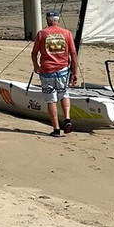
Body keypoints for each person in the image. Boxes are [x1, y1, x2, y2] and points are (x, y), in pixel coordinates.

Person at [31, 9, 79, 137]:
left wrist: (36, 66)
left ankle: (56, 129)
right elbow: (73, 54)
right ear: (58, 20)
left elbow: (34, 53)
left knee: (51, 99)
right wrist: (74, 72)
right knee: (64, 94)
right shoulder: (67, 33)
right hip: (63, 70)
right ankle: (67, 118)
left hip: (47, 71)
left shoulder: (42, 34)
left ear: (47, 20)